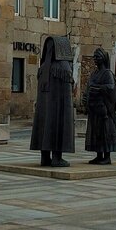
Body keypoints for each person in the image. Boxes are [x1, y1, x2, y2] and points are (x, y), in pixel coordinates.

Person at [30, 36, 75, 167]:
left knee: (44, 127)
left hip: (44, 109)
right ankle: (57, 158)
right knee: (58, 126)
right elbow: (67, 94)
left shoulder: (43, 67)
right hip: (58, 109)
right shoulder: (63, 66)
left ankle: (45, 157)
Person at [85, 48, 116, 165]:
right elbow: (89, 86)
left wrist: (98, 88)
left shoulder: (107, 73)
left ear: (103, 58)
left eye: (98, 57)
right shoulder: (94, 73)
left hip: (104, 109)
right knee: (96, 132)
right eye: (94, 57)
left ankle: (107, 157)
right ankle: (99, 155)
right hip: (94, 107)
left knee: (106, 131)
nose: (95, 59)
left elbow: (111, 87)